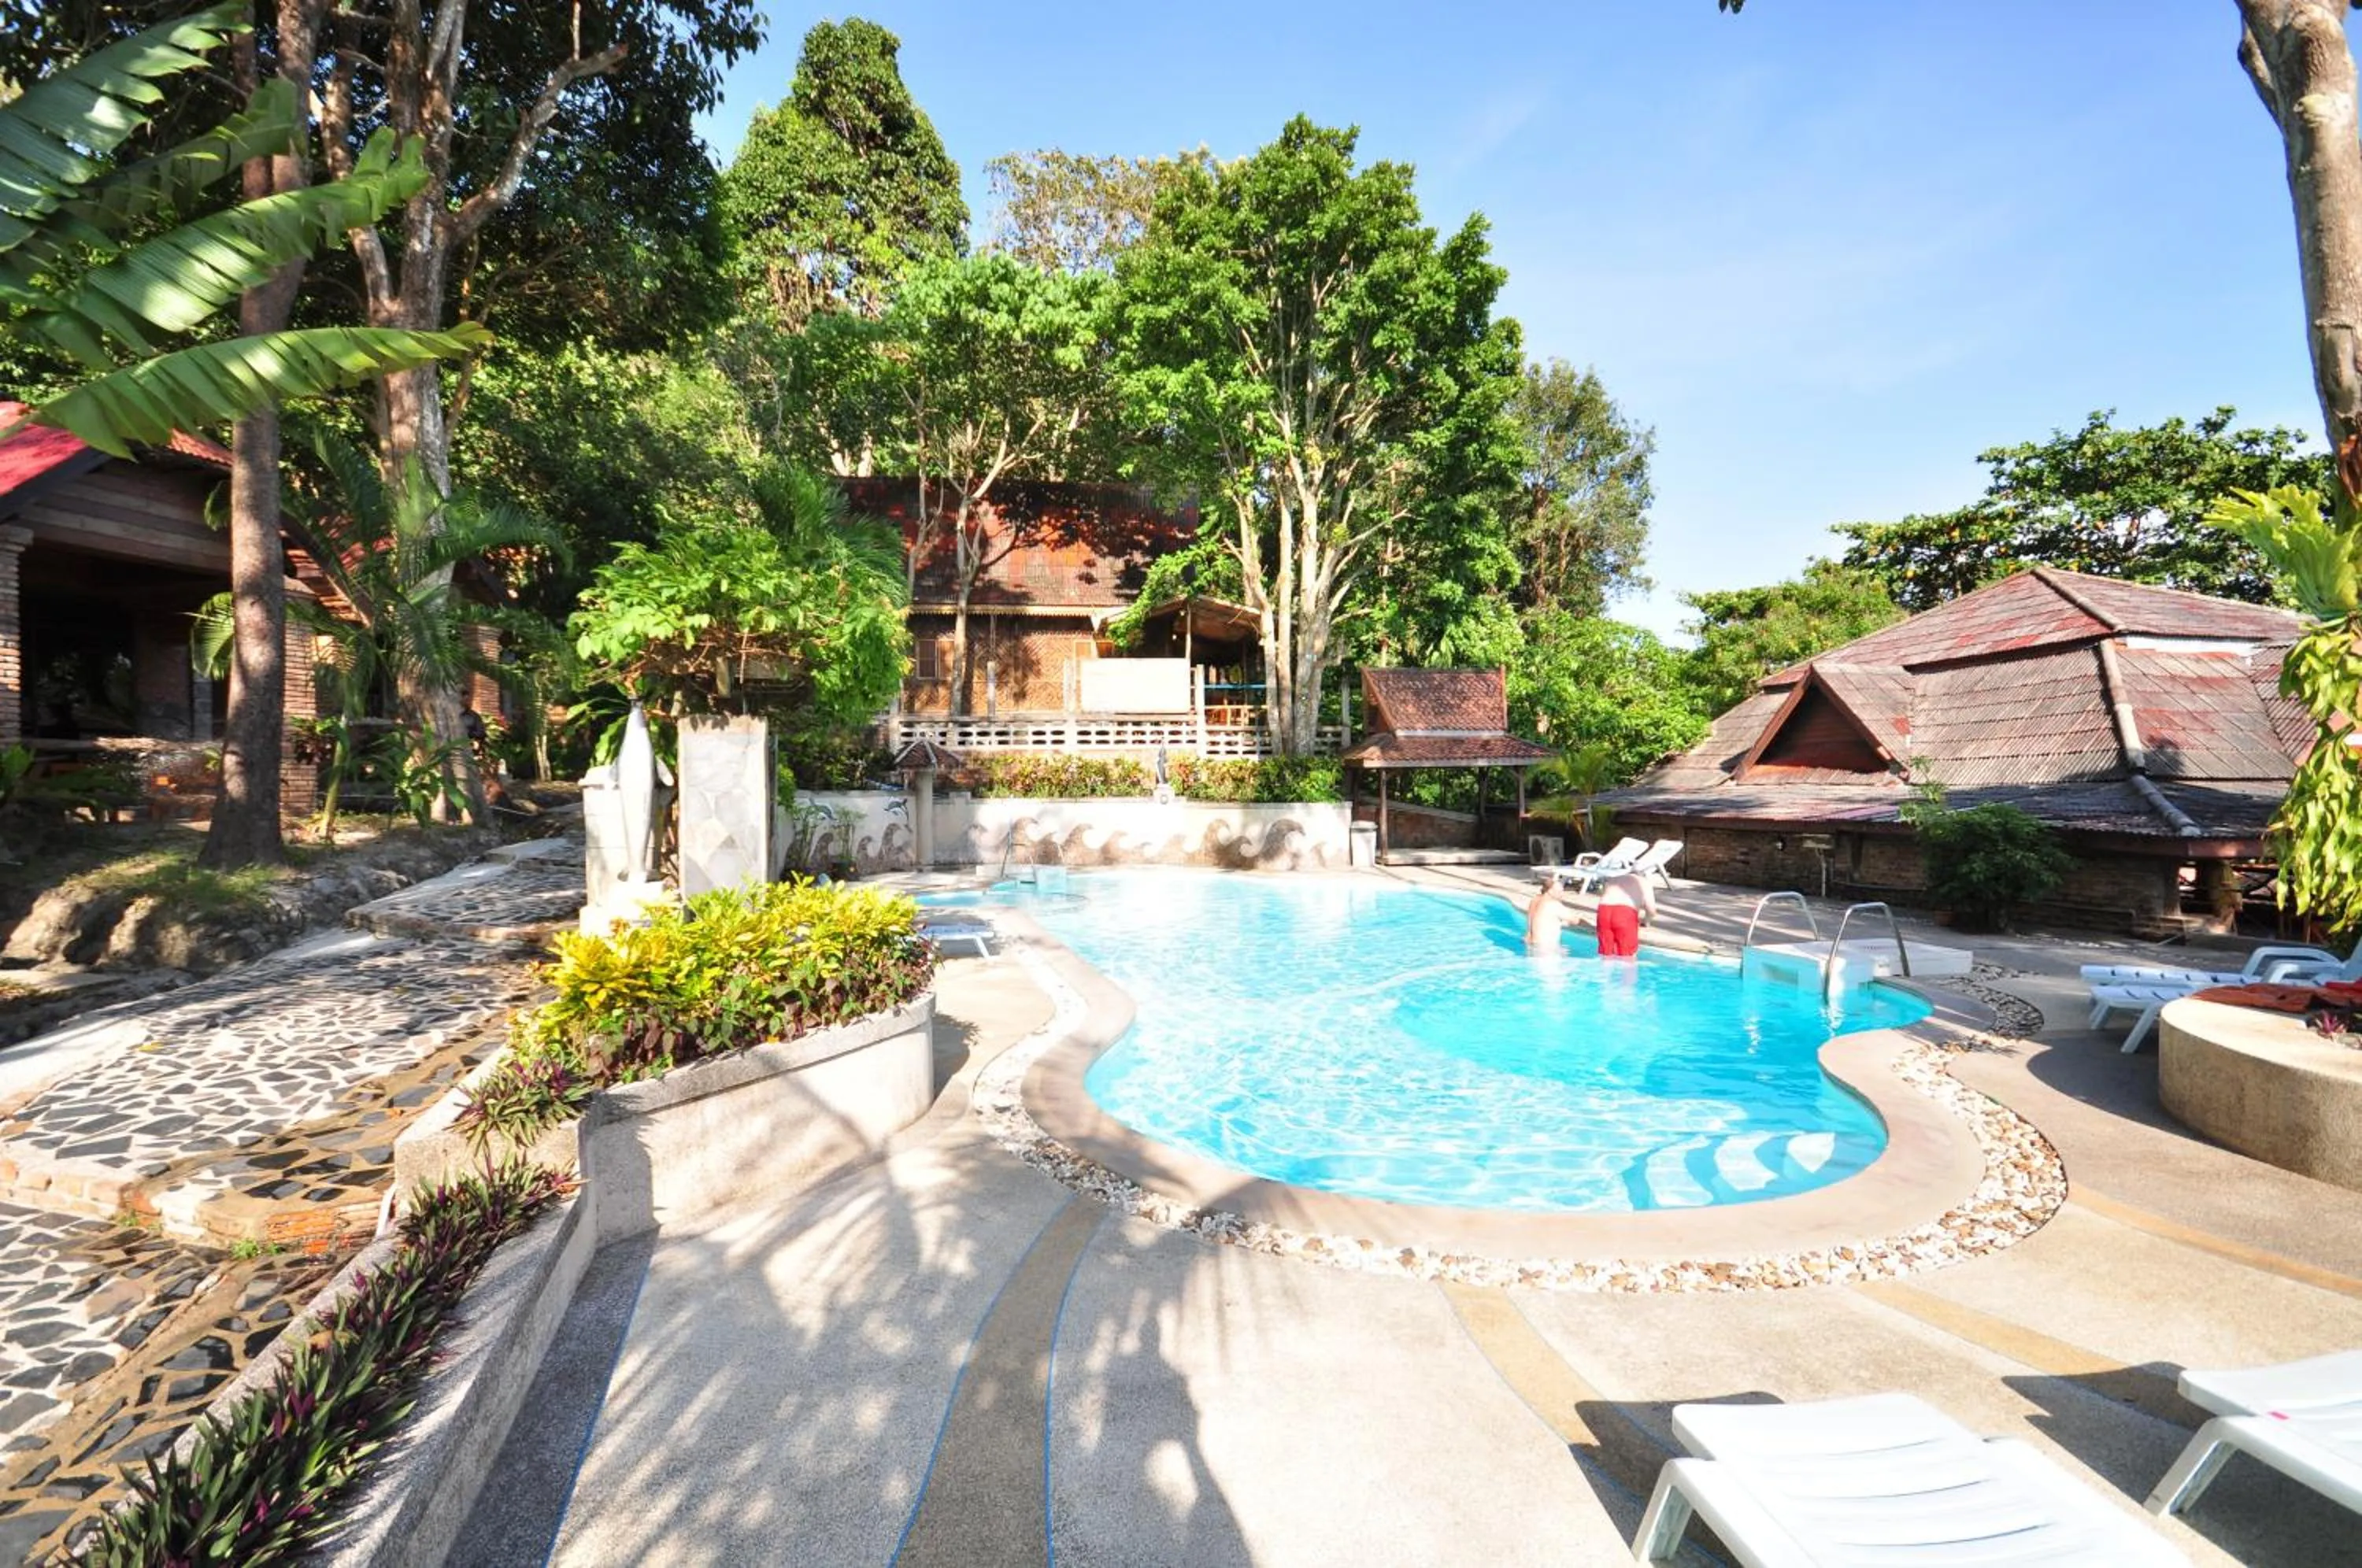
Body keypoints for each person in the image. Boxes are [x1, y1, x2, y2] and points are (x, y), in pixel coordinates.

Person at [1594, 867, 1657, 958]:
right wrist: (1646, 921)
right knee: (1628, 957)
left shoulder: (1615, 879)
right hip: (1624, 913)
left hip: (1604, 911)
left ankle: (1606, 970)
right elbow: (1652, 910)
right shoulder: (1644, 882)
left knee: (1606, 955)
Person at [1525, 878, 1566, 952]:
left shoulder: (1535, 899)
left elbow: (1531, 917)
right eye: (1560, 891)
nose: (1562, 894)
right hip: (1545, 943)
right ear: (1551, 891)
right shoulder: (1552, 902)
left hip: (1531, 939)